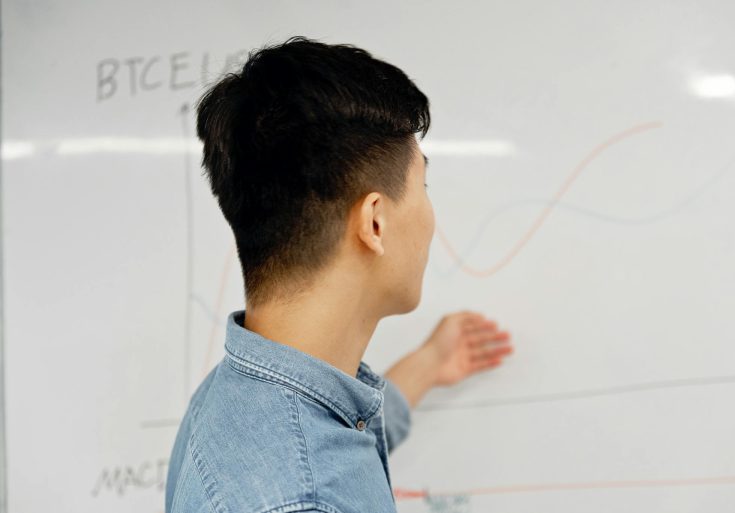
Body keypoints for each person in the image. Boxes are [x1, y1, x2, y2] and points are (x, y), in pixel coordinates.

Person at [165, 35, 514, 513]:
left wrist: (429, 363)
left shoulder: (232, 396)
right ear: (374, 223)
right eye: (423, 186)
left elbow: (328, 432)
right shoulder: (304, 500)